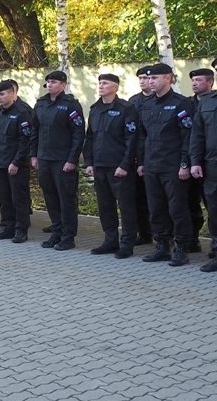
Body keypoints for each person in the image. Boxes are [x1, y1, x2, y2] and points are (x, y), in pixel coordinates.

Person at [138, 62, 196, 266]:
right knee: (156, 208)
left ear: (168, 78)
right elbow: (142, 135)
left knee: (177, 208)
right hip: (152, 164)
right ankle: (162, 244)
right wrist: (141, 162)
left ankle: (181, 247)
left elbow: (188, 136)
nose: (150, 82)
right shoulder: (147, 104)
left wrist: (184, 164)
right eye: (149, 78)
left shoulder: (181, 104)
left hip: (173, 166)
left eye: (154, 78)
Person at [82, 73, 140, 258]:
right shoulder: (95, 109)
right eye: (99, 82)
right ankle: (110, 240)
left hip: (119, 167)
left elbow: (132, 139)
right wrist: (89, 162)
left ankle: (127, 243)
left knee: (126, 206)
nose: (100, 86)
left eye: (105, 83)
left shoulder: (126, 108)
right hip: (100, 166)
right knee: (105, 205)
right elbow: (90, 137)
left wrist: (125, 164)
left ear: (115, 87)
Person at [31, 70, 85, 251]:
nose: (50, 85)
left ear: (63, 85)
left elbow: (78, 134)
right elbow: (34, 131)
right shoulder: (41, 104)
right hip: (44, 158)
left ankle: (68, 236)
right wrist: (34, 155)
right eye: (48, 82)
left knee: (66, 199)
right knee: (50, 197)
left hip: (63, 160)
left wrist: (72, 160)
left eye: (54, 82)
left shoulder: (70, 105)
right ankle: (57, 231)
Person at [0, 80, 34, 243]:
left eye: (3, 94)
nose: (0, 98)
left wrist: (16, 162)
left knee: (18, 198)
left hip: (16, 165)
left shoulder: (22, 113)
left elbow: (25, 141)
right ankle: (7, 226)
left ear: (13, 94)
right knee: (4, 198)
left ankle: (21, 229)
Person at [191, 70, 217, 271]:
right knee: (214, 209)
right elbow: (197, 135)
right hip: (212, 165)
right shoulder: (207, 102)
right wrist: (195, 162)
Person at [186, 68, 214, 251]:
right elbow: (194, 135)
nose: (194, 83)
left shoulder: (211, 102)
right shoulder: (187, 104)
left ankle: (214, 245)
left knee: (212, 205)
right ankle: (193, 239)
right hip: (193, 161)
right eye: (193, 80)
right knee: (191, 201)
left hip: (211, 163)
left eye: (199, 80)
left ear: (210, 82)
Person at [128, 66, 155, 246]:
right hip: (135, 156)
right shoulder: (133, 101)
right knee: (138, 198)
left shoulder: (159, 100)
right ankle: (144, 233)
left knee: (157, 200)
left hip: (154, 156)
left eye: (146, 78)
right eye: (140, 79)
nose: (143, 81)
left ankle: (165, 236)